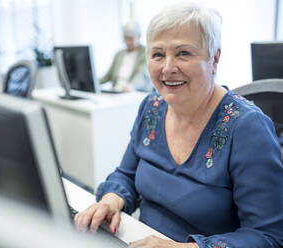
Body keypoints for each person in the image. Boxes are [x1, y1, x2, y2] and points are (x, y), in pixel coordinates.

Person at [74, 2, 283, 248]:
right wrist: (111, 199)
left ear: (214, 58)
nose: (168, 68)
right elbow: (126, 175)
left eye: (183, 53)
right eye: (158, 54)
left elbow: (268, 236)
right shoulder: (151, 107)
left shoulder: (248, 127)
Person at [99, 21, 152, 92]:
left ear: (139, 37)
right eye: (125, 38)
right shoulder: (119, 54)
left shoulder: (146, 53)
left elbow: (142, 75)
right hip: (116, 91)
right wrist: (94, 83)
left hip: (134, 91)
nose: (127, 42)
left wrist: (132, 86)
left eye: (131, 38)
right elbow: (108, 75)